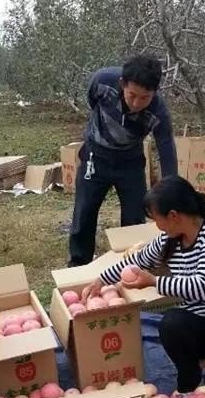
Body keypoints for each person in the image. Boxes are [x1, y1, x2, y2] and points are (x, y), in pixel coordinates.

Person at [83, 176, 205, 393]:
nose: (156, 226)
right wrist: (102, 280)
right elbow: (137, 260)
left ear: (174, 216)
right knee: (171, 324)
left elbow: (203, 287)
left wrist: (153, 282)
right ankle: (191, 383)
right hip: (202, 321)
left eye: (156, 219)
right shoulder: (171, 239)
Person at [68, 54, 178, 267]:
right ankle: (79, 264)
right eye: (132, 95)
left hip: (130, 161)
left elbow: (166, 147)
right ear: (122, 84)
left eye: (144, 98)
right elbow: (92, 101)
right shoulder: (102, 81)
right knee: (84, 212)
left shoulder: (159, 112)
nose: (137, 103)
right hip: (95, 156)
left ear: (155, 93)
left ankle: (131, 263)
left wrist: (172, 188)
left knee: (135, 215)